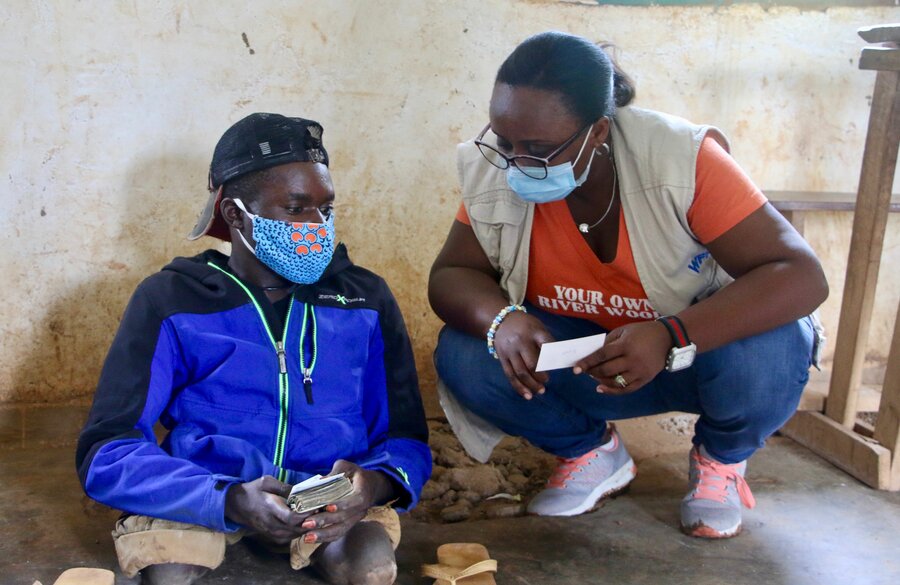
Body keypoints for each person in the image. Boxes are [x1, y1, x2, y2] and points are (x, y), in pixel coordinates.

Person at [429, 31, 827, 539]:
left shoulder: (681, 159)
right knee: (468, 351)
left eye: (539, 149)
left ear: (597, 132)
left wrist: (672, 334)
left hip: (694, 357)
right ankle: (592, 453)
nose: (515, 163)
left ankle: (720, 461)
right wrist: (502, 320)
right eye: (504, 141)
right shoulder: (494, 169)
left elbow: (799, 275)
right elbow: (451, 275)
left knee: (774, 343)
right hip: (581, 362)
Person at [76, 113, 431, 584]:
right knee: (171, 574)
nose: (317, 225)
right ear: (236, 215)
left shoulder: (365, 299)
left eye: (326, 208)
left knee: (371, 568)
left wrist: (371, 486)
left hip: (324, 499)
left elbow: (405, 439)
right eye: (296, 208)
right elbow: (108, 449)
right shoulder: (171, 301)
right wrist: (224, 499)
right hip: (207, 487)